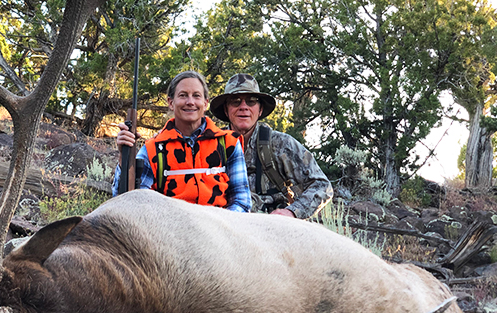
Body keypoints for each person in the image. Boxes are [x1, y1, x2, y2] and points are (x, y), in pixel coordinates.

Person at [112, 71, 251, 212]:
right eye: (183, 95)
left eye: (196, 96)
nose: (190, 102)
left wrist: (219, 230)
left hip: (219, 229)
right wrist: (124, 157)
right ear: (171, 103)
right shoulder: (153, 149)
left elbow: (242, 201)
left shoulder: (229, 143)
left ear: (205, 103)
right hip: (168, 229)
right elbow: (131, 203)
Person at [209, 73, 333, 219]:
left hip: (271, 228)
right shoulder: (211, 145)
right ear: (226, 110)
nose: (243, 107)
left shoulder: (281, 144)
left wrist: (292, 212)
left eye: (251, 101)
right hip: (225, 226)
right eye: (235, 101)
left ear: (260, 110)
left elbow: (322, 185)